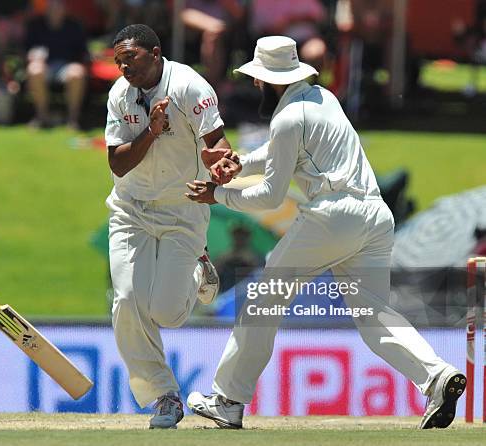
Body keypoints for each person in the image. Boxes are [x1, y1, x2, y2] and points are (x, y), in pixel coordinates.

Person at [185, 36, 466, 430]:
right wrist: (241, 162)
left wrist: (218, 194)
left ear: (270, 80)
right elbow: (279, 151)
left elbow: (270, 196)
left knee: (263, 302)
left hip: (333, 216)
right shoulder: (322, 97)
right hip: (374, 214)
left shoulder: (287, 117)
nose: (254, 85)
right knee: (372, 314)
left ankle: (228, 400)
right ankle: (436, 377)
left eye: (258, 78)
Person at [105, 24, 233, 429]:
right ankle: (164, 396)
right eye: (119, 61)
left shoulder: (191, 87)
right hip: (131, 208)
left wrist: (223, 166)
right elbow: (118, 162)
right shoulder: (119, 95)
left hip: (183, 209)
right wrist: (151, 131)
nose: (125, 67)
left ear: (156, 54)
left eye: (133, 59)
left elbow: (217, 143)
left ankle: (199, 266)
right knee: (126, 300)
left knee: (167, 313)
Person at [25, 0, 90, 129]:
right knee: (34, 70)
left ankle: (73, 119)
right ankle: (42, 116)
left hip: (67, 66)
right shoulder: (36, 25)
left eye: (58, 8)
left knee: (77, 72)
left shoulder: (74, 26)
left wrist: (78, 61)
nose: (55, 11)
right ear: (47, 10)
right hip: (45, 67)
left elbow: (83, 53)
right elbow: (27, 51)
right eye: (52, 8)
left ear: (64, 10)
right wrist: (33, 56)